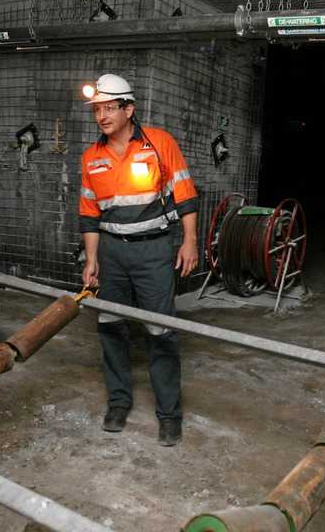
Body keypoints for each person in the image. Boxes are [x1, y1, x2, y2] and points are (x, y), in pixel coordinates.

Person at [78, 73, 198, 446]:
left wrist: (189, 241)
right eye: (97, 109)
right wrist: (92, 259)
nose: (101, 116)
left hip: (154, 251)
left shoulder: (159, 143)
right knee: (111, 327)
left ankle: (169, 415)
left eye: (109, 108)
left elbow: (185, 196)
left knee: (159, 330)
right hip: (112, 254)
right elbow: (88, 214)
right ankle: (118, 404)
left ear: (129, 109)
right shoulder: (91, 156)